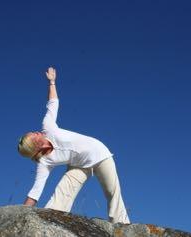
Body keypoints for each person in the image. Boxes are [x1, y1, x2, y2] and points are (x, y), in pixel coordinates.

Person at [18, 67, 130, 224]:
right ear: (35, 147)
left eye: (34, 132)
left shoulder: (47, 127)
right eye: (34, 135)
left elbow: (53, 103)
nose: (37, 132)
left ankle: (122, 226)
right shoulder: (44, 162)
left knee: (112, 191)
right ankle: (52, 222)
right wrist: (19, 214)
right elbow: (36, 191)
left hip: (98, 154)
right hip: (79, 165)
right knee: (64, 189)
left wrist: (52, 82)